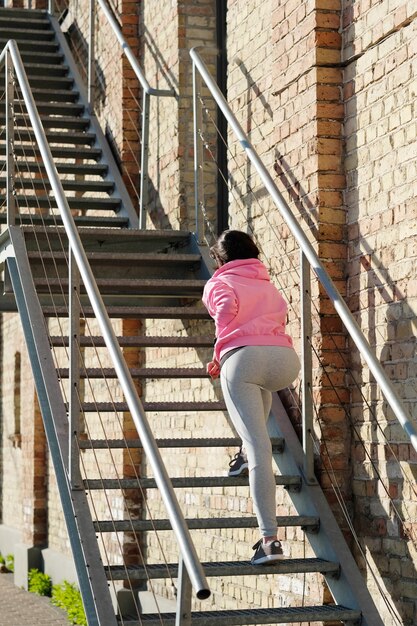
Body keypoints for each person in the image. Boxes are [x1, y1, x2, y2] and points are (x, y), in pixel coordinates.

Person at [202, 230, 300, 565]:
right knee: (256, 400)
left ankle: (269, 541)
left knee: (262, 450)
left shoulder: (219, 283)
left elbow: (227, 310)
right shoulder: (266, 283)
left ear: (219, 258)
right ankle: (244, 453)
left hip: (244, 360)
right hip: (284, 363)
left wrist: (219, 354)